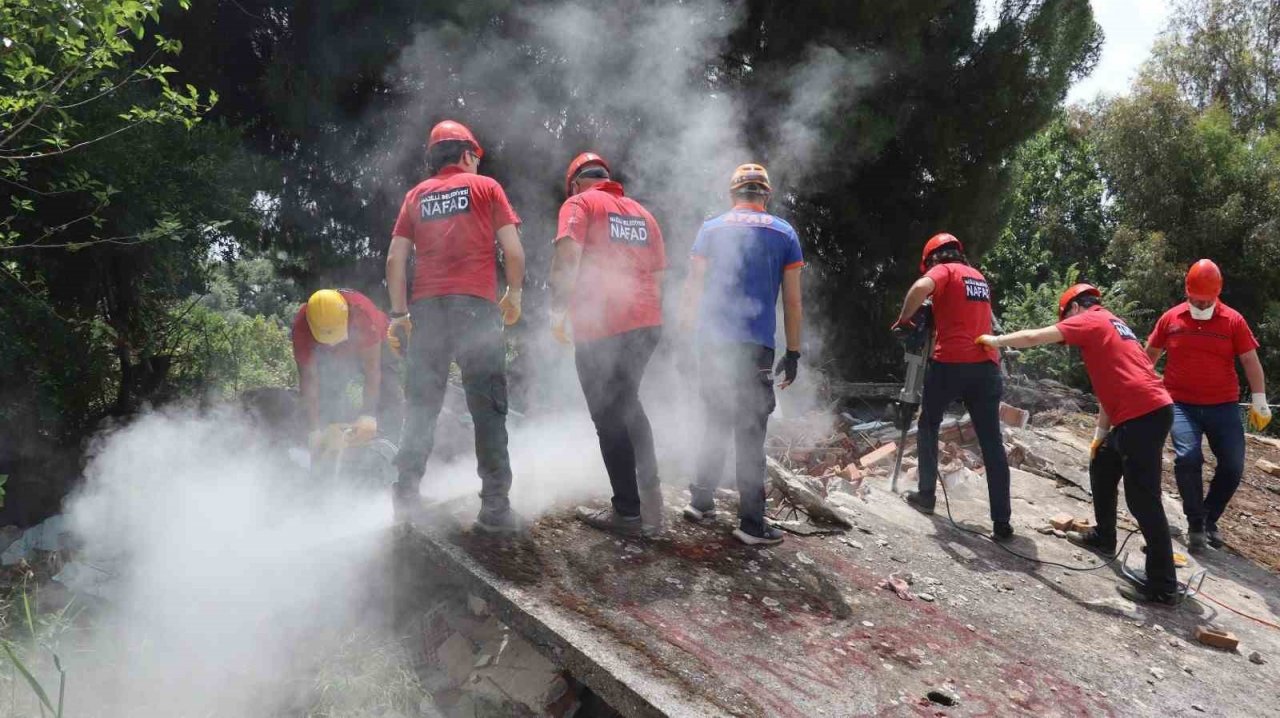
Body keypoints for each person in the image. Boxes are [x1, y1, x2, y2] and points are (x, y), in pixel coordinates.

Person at [976, 284, 1179, 604]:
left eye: (1066, 315)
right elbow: (1111, 389)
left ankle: (1163, 584)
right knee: (1103, 463)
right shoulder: (1114, 325)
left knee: (1143, 500)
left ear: (1073, 308)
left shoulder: (1090, 320)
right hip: (1149, 410)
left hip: (1143, 415)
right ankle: (1104, 536)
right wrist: (1100, 437)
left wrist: (997, 341)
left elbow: (1033, 337)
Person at [386, 119, 525, 533]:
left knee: (422, 407)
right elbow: (513, 252)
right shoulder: (486, 189)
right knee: (488, 409)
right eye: (476, 158)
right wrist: (514, 294)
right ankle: (496, 509)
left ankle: (406, 496)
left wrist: (398, 316)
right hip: (475, 309)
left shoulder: (416, 196)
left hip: (427, 311)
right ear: (467, 154)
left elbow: (395, 260)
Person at [677, 163, 803, 546]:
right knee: (750, 432)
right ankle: (751, 524)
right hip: (755, 348)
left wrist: (684, 340)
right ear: (765, 195)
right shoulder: (784, 233)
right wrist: (794, 351)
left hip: (712, 343)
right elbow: (793, 302)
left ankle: (700, 501)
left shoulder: (711, 229)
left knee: (714, 418)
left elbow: (692, 290)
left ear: (733, 195)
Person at [550, 152, 666, 538]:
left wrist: (560, 310)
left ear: (575, 182)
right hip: (647, 325)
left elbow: (568, 258)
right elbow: (659, 276)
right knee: (630, 402)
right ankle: (653, 502)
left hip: (603, 327)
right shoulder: (642, 215)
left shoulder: (579, 203)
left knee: (608, 416)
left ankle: (628, 513)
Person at [891, 233, 1013, 540]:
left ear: (934, 259)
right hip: (987, 367)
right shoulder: (979, 278)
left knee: (929, 423)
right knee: (992, 444)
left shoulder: (945, 271)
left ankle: (927, 496)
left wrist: (905, 319)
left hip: (951, 363)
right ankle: (1002, 523)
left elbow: (920, 288)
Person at [1146, 259, 1270, 550]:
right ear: (1187, 292)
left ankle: (1209, 517)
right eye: (1195, 299)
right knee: (1187, 458)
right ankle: (1195, 524)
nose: (1201, 305)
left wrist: (1259, 399)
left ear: (1218, 293)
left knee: (1233, 465)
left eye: (1206, 300)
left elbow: (1250, 360)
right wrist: (1139, 386)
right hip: (1180, 404)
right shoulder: (1172, 318)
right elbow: (1149, 354)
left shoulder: (1233, 321)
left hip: (1223, 405)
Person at [291, 288, 400, 450]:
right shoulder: (301, 326)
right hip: (333, 353)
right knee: (328, 395)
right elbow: (309, 380)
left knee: (389, 391)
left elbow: (373, 370)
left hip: (377, 342)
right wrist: (314, 431)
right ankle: (340, 445)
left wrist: (368, 415)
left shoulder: (362, 313)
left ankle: (393, 446)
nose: (332, 342)